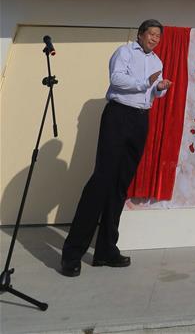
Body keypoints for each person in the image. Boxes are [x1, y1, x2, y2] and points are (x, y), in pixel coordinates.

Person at [61, 20, 172, 276]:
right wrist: (146, 82)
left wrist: (160, 89)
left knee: (120, 184)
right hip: (118, 115)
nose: (154, 39)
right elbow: (117, 80)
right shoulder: (124, 52)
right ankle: (72, 253)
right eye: (151, 34)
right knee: (101, 180)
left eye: (158, 36)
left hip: (141, 119)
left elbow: (153, 92)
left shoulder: (157, 61)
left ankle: (105, 250)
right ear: (141, 34)